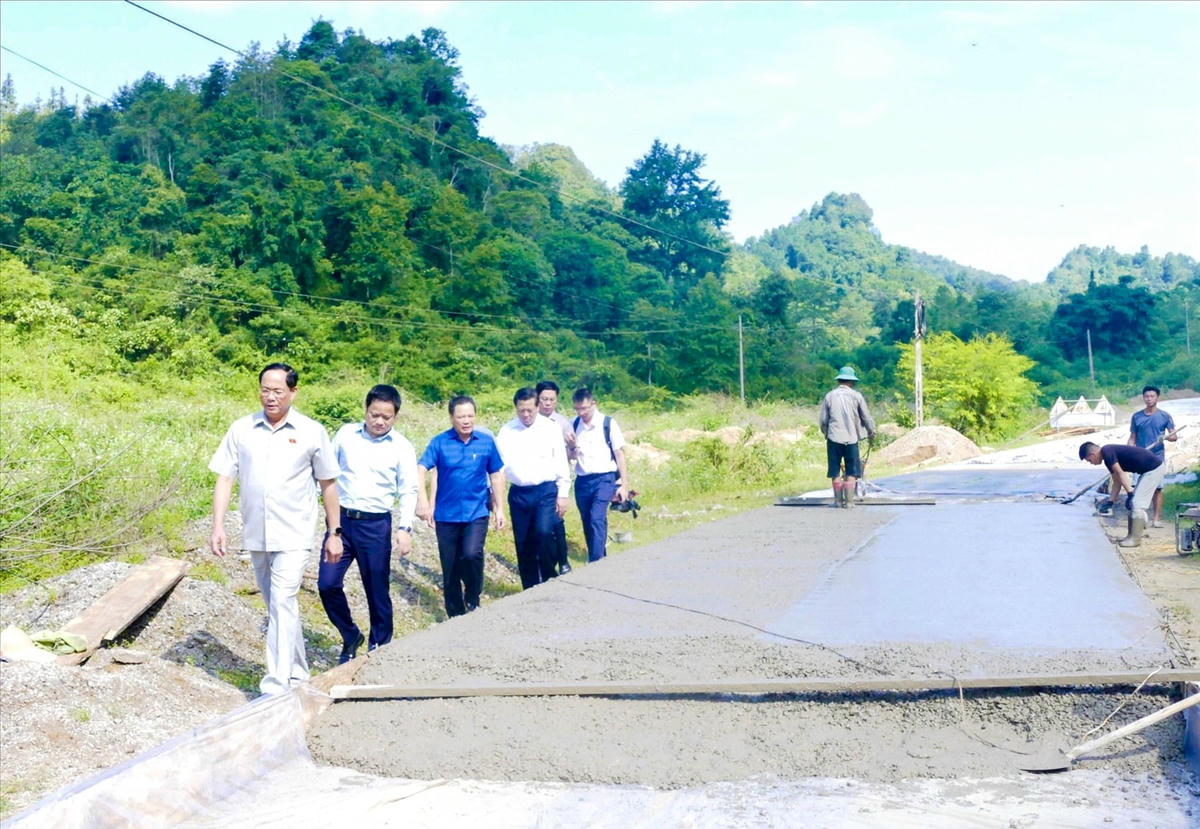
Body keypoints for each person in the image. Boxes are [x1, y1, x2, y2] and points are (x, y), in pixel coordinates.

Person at [209, 363, 341, 695]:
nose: (270, 397)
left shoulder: (312, 432)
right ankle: (297, 674)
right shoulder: (242, 429)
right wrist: (218, 525)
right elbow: (225, 477)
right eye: (265, 390)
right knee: (278, 606)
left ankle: (275, 685)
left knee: (283, 600)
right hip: (257, 532)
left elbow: (328, 484)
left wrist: (334, 532)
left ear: (293, 392)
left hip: (295, 532)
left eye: (278, 391)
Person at [318, 384, 418, 664]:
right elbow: (326, 474)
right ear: (366, 410)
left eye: (386, 417)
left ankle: (379, 647)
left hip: (376, 526)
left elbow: (408, 489)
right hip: (341, 522)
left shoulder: (401, 447)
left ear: (395, 416)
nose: (379, 421)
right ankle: (350, 635)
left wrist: (404, 528)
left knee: (376, 589)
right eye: (375, 414)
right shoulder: (346, 435)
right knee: (327, 583)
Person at [416, 396, 506, 617]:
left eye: (470, 416)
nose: (466, 421)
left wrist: (500, 508)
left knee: (471, 554)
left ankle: (473, 596)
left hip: (476, 512)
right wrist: (424, 502)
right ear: (451, 418)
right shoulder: (440, 442)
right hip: (446, 515)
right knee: (450, 568)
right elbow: (420, 469)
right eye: (461, 416)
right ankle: (455, 615)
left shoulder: (485, 441)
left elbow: (496, 474)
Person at [497, 387, 571, 589]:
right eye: (522, 411)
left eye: (530, 410)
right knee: (524, 542)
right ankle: (529, 587)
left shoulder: (551, 428)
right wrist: (497, 503)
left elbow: (561, 462)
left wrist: (563, 494)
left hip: (545, 490)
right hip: (519, 493)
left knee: (544, 532)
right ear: (516, 409)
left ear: (537, 407)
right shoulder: (507, 431)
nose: (526, 415)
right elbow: (499, 469)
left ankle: (549, 577)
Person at [571, 387, 630, 563]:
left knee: (597, 516)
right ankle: (599, 555)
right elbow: (570, 455)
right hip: (582, 480)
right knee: (588, 520)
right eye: (577, 409)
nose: (581, 413)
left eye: (585, 408)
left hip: (605, 478)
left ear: (594, 404)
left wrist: (624, 484)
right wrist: (572, 446)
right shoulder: (574, 425)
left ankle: (595, 561)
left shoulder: (608, 423)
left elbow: (619, 454)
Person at [1079, 441, 1165, 548]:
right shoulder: (1107, 456)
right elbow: (1117, 481)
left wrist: (1130, 493)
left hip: (1154, 469)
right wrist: (1110, 502)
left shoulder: (1107, 451)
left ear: (1092, 454)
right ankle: (1131, 535)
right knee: (1135, 503)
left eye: (1089, 460)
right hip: (1149, 470)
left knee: (1136, 503)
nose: (1091, 463)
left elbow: (1121, 473)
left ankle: (1135, 539)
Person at [818, 366, 876, 508]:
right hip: (851, 439)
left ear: (840, 380)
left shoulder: (829, 396)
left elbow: (823, 420)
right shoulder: (857, 396)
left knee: (834, 470)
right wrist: (871, 432)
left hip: (833, 438)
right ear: (851, 382)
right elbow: (866, 417)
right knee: (851, 470)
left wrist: (826, 433)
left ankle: (837, 501)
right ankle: (850, 502)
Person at [536, 380, 577, 574]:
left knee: (556, 521)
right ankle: (544, 562)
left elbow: (572, 456)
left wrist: (571, 447)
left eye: (551, 399)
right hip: (535, 479)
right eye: (544, 399)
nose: (547, 403)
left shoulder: (562, 423)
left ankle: (563, 560)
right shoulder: (529, 420)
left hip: (555, 480)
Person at [1127, 385, 1178, 527]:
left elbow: (1174, 436)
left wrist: (1166, 437)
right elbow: (1132, 438)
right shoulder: (1137, 417)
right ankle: (1140, 519)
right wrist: (1129, 451)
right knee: (1138, 488)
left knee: (1157, 489)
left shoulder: (1165, 416)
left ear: (1157, 398)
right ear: (1143, 398)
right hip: (1139, 457)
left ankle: (1156, 519)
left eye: (1152, 396)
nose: (1149, 399)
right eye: (1147, 396)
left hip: (1157, 458)